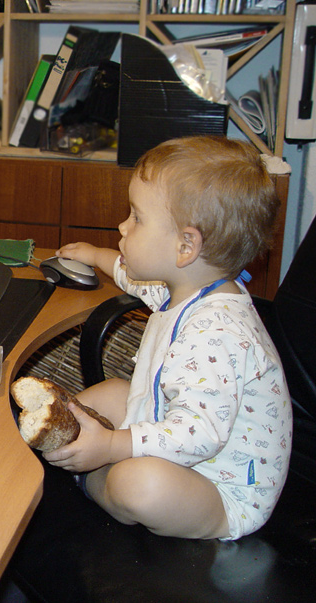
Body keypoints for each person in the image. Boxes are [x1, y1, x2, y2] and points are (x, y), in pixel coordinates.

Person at [46, 136, 292, 540]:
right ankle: (75, 453)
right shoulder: (186, 287)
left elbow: (198, 435)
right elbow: (133, 275)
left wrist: (110, 448)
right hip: (179, 435)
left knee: (138, 484)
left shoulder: (217, 334)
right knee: (108, 393)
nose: (122, 226)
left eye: (137, 218)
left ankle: (89, 480)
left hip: (220, 487)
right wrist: (94, 255)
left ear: (185, 246)